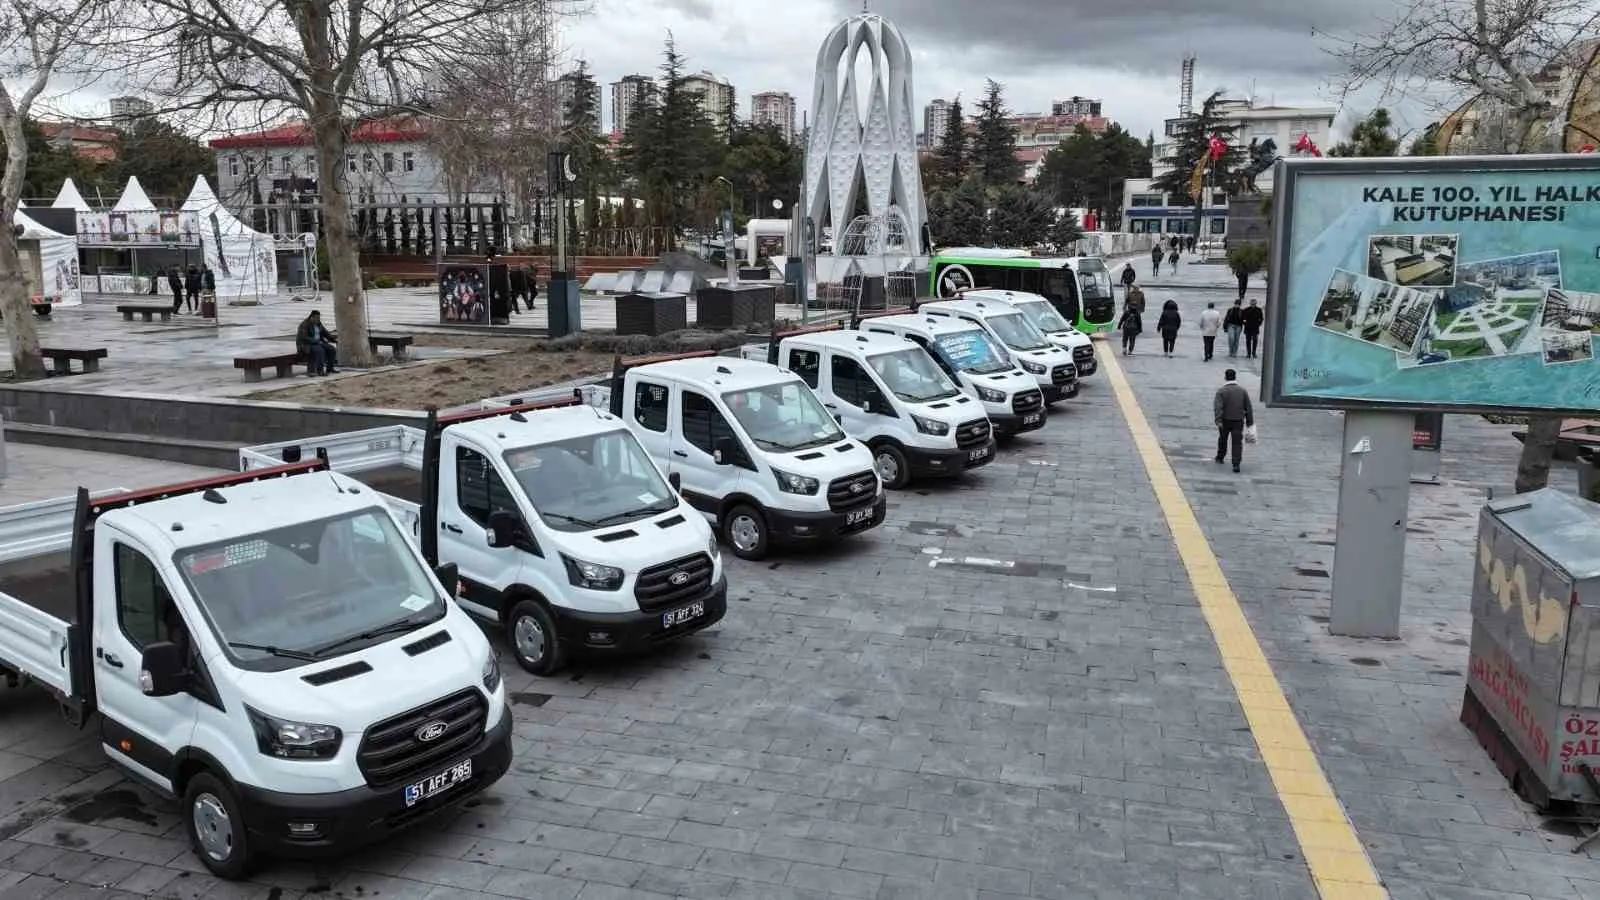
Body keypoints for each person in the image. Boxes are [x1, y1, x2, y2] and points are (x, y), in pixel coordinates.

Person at [1213, 368, 1254, 473]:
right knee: (1237, 442)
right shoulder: (1242, 391)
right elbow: (1248, 407)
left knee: (1223, 439)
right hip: (1238, 420)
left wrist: (1218, 420)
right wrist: (1250, 421)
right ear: (1235, 377)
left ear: (1225, 377)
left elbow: (1218, 407)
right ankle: (1236, 463)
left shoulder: (1221, 391)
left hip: (1225, 420)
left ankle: (1220, 456)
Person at [296, 310, 339, 376]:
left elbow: (326, 333)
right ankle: (320, 371)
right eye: (316, 318)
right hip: (307, 345)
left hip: (319, 343)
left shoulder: (319, 324)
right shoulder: (304, 324)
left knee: (332, 349)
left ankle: (330, 368)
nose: (318, 319)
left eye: (319, 318)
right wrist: (315, 341)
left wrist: (333, 339)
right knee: (320, 351)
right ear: (312, 317)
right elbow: (303, 337)